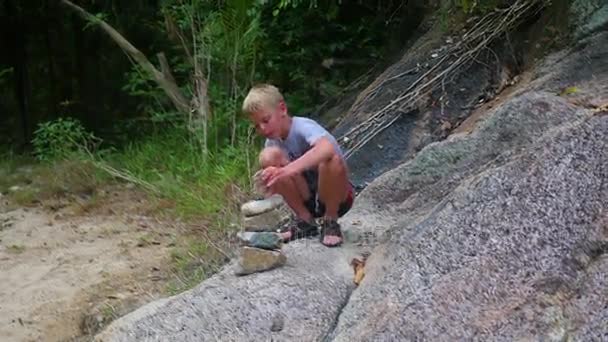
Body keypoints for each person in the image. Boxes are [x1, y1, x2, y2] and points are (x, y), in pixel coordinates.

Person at [242, 84, 354, 247]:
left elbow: (327, 148)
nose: (263, 128)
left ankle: (330, 221)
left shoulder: (302, 126)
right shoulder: (272, 142)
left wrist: (286, 170)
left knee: (331, 159)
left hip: (338, 197)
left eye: (266, 120)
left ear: (282, 109)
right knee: (268, 157)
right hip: (308, 196)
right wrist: (271, 182)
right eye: (257, 125)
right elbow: (281, 177)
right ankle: (305, 220)